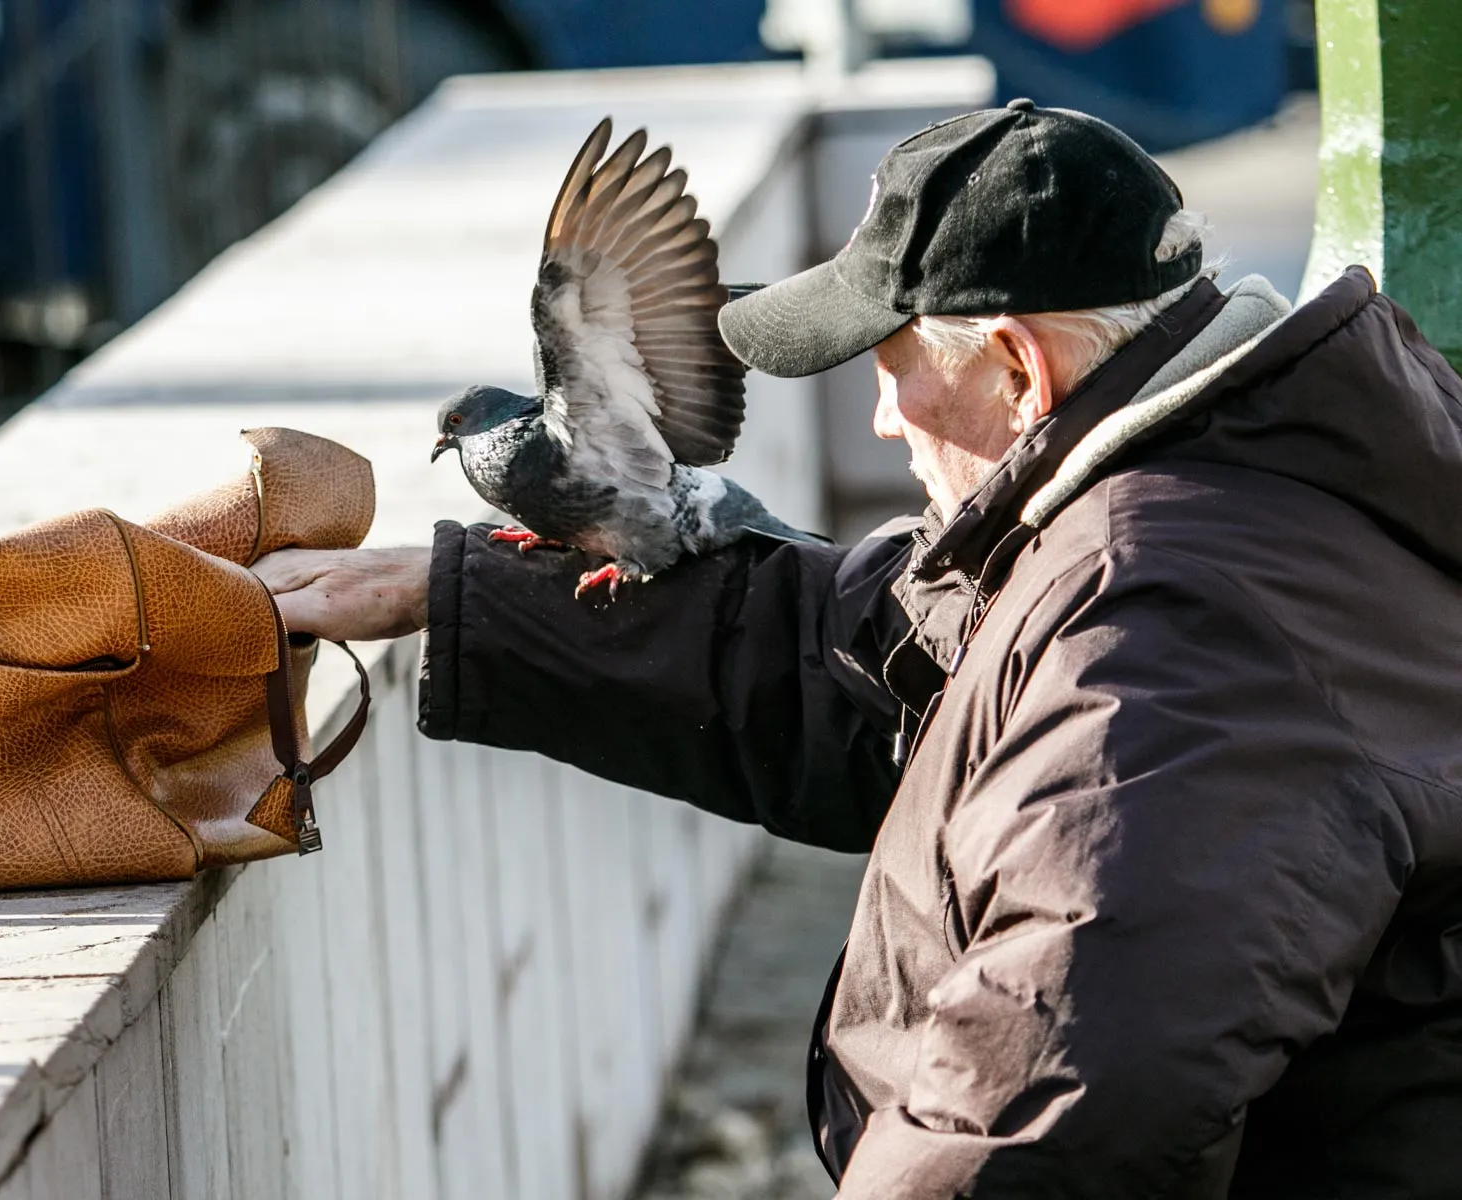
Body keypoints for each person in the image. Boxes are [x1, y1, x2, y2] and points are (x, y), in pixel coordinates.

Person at [254, 100, 1462, 1198]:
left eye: (893, 369)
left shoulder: (1166, 648)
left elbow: (1047, 1111)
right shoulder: (1212, 486)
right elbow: (887, 659)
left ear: (1016, 366)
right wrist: (463, 595)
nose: (883, 418)